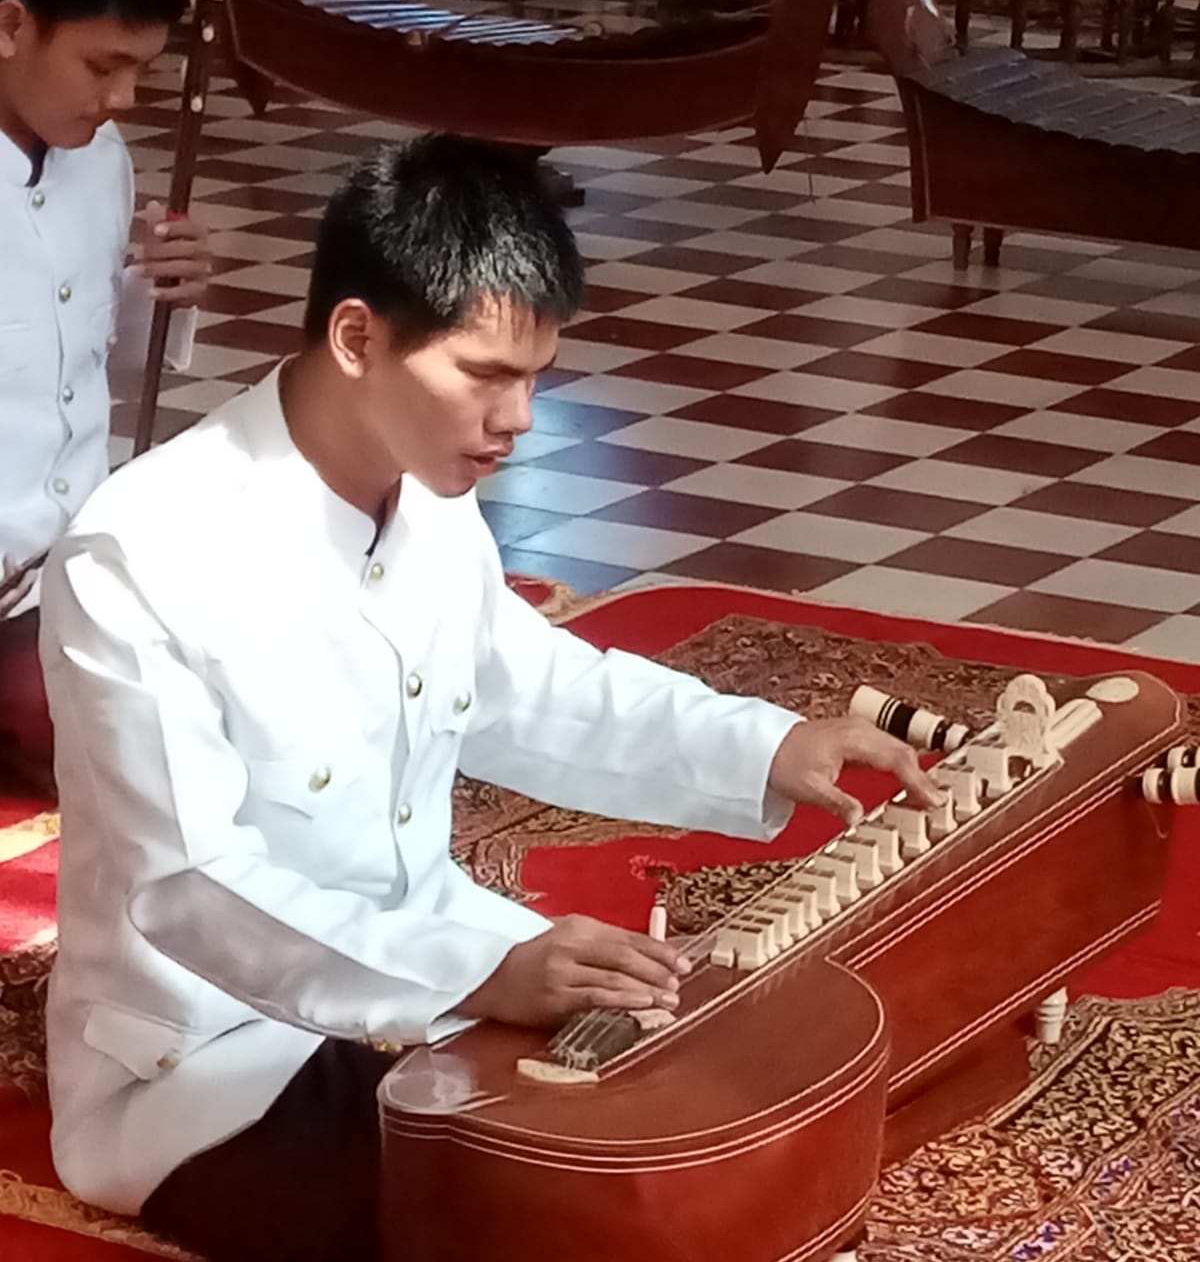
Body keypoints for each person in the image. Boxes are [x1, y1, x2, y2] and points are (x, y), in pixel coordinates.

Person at [39, 135, 940, 1262]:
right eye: (486, 374)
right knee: (532, 1224)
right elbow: (191, 887)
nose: (519, 419)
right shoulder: (140, 554)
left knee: (719, 1108)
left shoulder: (427, 493)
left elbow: (526, 686)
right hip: (217, 1052)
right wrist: (482, 974)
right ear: (357, 337)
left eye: (536, 376)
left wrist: (766, 745)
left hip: (448, 965)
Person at [0, 0, 213, 791]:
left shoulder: (102, 162)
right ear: (12, 26)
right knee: (120, 743)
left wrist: (160, 289)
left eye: (141, 70)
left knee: (242, 672)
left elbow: (87, 361)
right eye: (101, 66)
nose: (122, 97)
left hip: (69, 562)